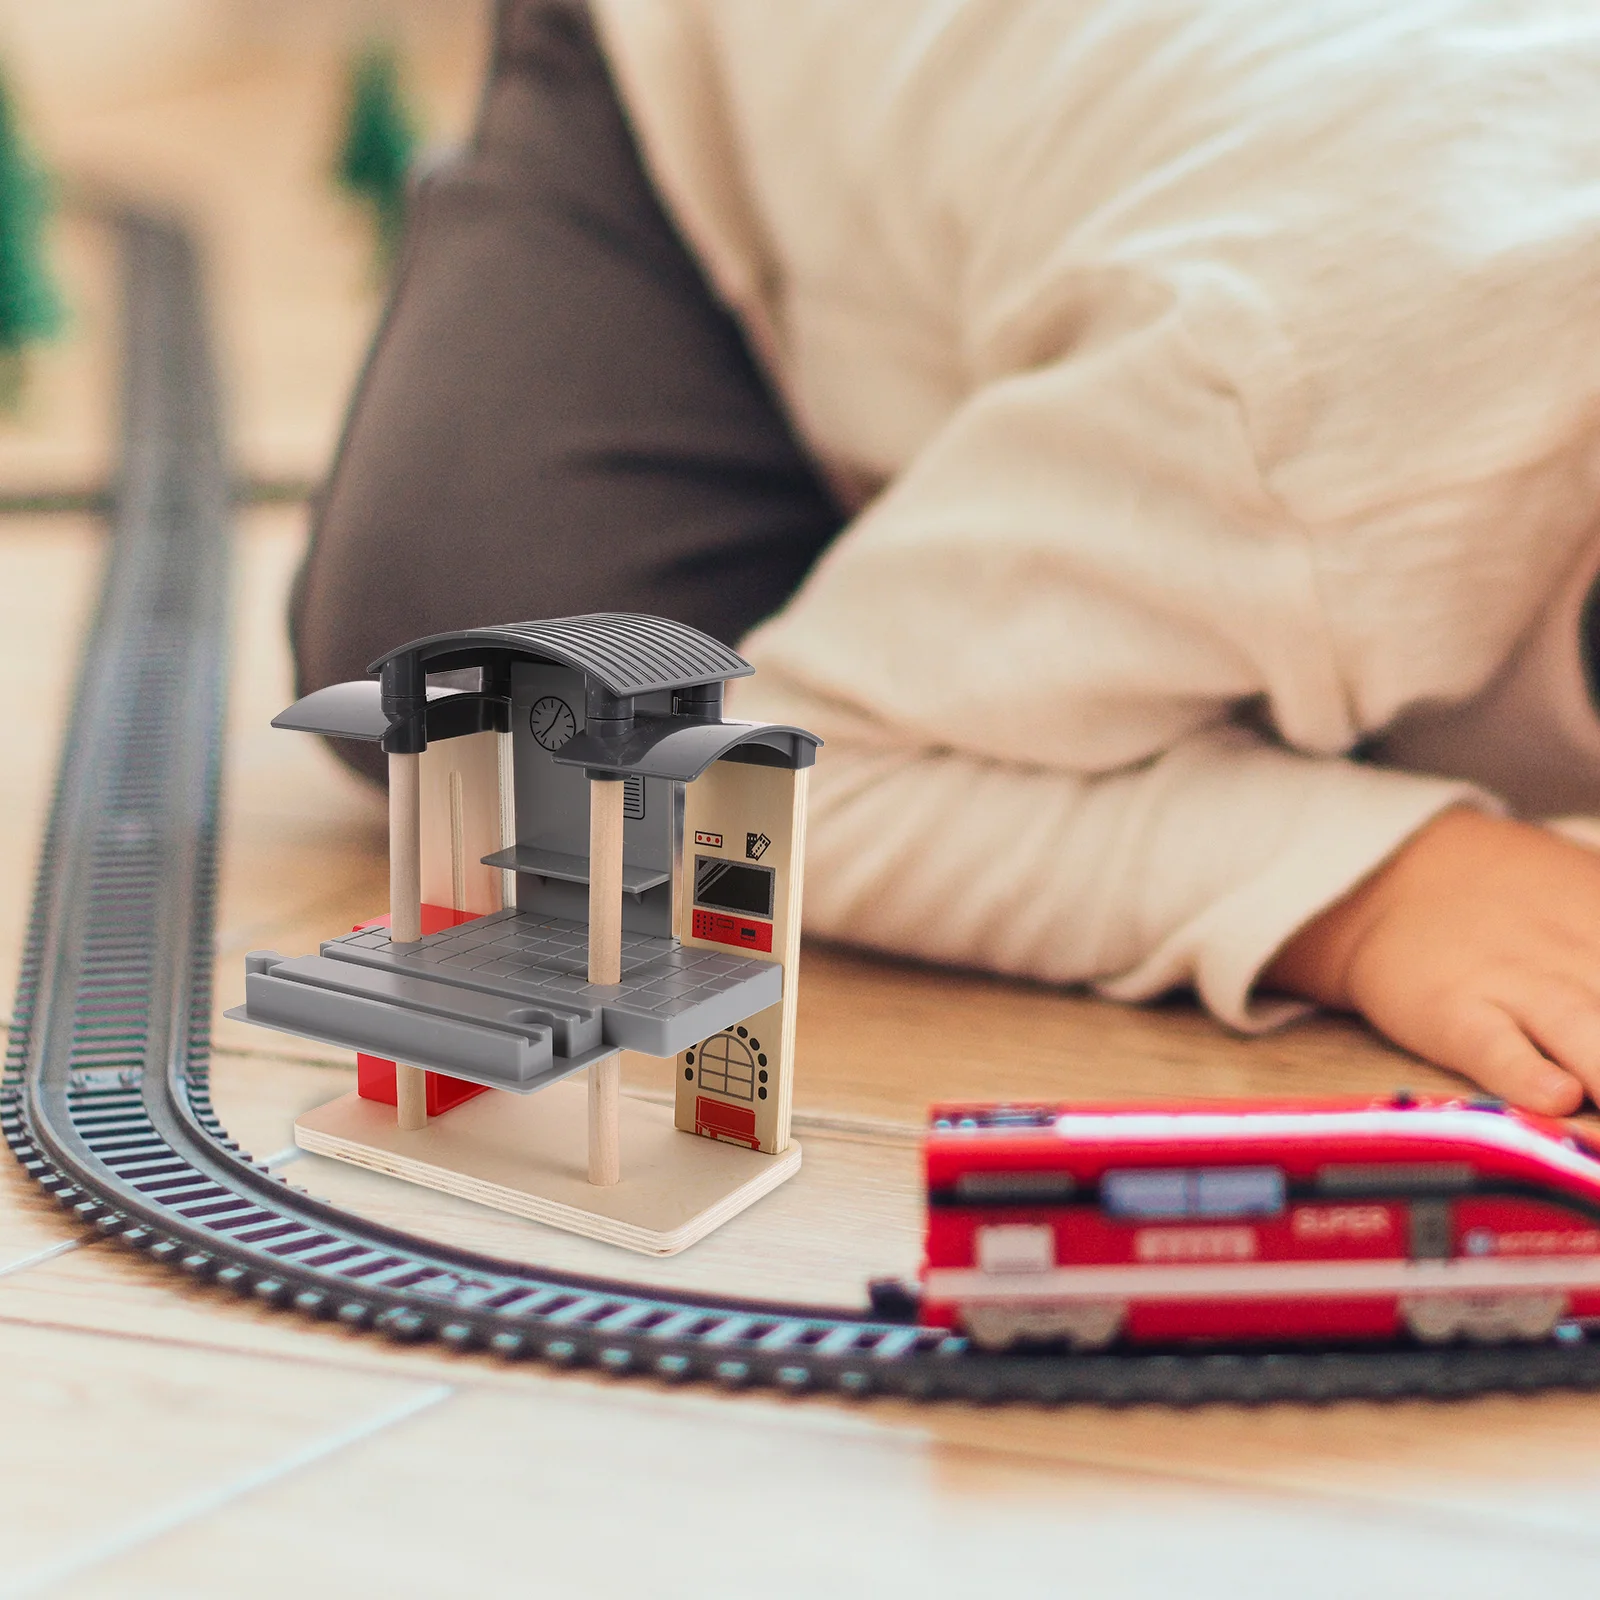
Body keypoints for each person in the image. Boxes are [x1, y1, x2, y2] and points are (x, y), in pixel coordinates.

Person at [291, 0, 1600, 1114]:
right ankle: (957, 505)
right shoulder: (1328, 433)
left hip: (1189, 203)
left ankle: (992, 511)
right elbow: (792, 780)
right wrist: (1365, 899)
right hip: (716, 70)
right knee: (484, 704)